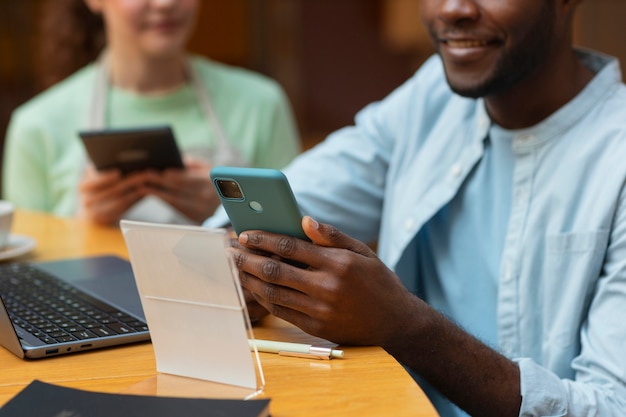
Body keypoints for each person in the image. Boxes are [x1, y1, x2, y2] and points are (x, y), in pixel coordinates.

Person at [206, 0, 626, 416]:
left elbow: (610, 407)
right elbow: (307, 193)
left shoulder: (614, 154)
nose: (453, 9)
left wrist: (405, 326)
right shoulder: (432, 96)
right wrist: (251, 264)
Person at [2, 0, 300, 225]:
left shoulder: (261, 103)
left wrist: (225, 212)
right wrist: (86, 224)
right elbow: (25, 279)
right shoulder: (36, 125)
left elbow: (297, 244)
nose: (165, 3)